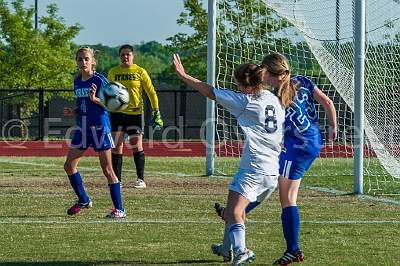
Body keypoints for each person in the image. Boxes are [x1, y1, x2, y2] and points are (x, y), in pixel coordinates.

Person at [214, 52, 337, 265]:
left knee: (285, 197)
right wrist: (333, 126)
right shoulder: (301, 80)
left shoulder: (275, 97)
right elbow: (326, 101)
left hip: (297, 147)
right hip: (313, 139)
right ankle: (229, 235)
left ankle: (293, 249)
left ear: (272, 75)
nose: (262, 76)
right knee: (267, 187)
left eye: (264, 73)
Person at [173, 53, 290, 266]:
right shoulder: (274, 99)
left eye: (237, 83)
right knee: (233, 211)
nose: (235, 87)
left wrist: (184, 75)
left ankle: (241, 250)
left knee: (235, 212)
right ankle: (225, 249)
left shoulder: (244, 101)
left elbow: (210, 91)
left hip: (253, 168)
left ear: (244, 85)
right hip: (273, 172)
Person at [64, 46, 126, 219]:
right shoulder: (77, 81)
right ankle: (83, 199)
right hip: (82, 128)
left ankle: (119, 209)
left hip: (99, 127)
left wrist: (96, 99)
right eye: (80, 59)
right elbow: (83, 105)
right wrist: (73, 111)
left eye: (86, 59)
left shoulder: (100, 80)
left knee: (107, 169)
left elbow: (114, 105)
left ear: (93, 61)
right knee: (69, 166)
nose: (83, 62)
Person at [107, 44, 163, 189]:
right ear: (119, 57)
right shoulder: (113, 72)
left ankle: (140, 179)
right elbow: (108, 92)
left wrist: (156, 111)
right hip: (117, 113)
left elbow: (151, 92)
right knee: (116, 147)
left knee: (136, 146)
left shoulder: (140, 71)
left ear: (133, 56)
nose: (125, 57)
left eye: (128, 54)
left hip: (135, 114)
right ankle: (117, 180)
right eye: (122, 55)